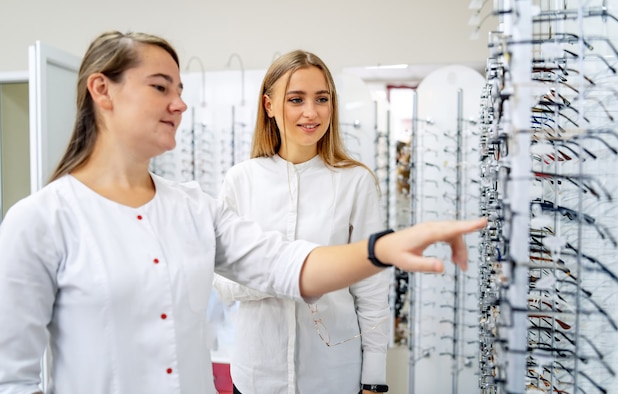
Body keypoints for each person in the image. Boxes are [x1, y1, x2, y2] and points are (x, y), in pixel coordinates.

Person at [0, 31, 486, 394]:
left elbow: (285, 264)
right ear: (102, 91)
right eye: (160, 87)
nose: (180, 104)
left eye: (180, 88)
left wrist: (381, 249)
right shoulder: (39, 221)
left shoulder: (192, 208)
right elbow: (13, 377)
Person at [212, 50, 391, 394]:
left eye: (321, 98)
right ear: (269, 106)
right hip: (256, 377)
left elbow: (372, 289)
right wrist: (291, 276)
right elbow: (221, 280)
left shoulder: (356, 182)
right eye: (296, 99)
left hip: (333, 376)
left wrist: (375, 377)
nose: (312, 112)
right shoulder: (241, 180)